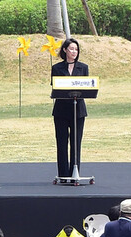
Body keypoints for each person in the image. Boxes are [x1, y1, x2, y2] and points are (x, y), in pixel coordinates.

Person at [51, 38, 88, 180]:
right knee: (61, 142)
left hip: (78, 110)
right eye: (71, 49)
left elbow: (86, 87)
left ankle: (75, 173)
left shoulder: (83, 67)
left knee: (76, 142)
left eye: (76, 49)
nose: (74, 52)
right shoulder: (57, 68)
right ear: (65, 50)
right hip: (61, 110)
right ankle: (63, 174)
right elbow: (55, 86)